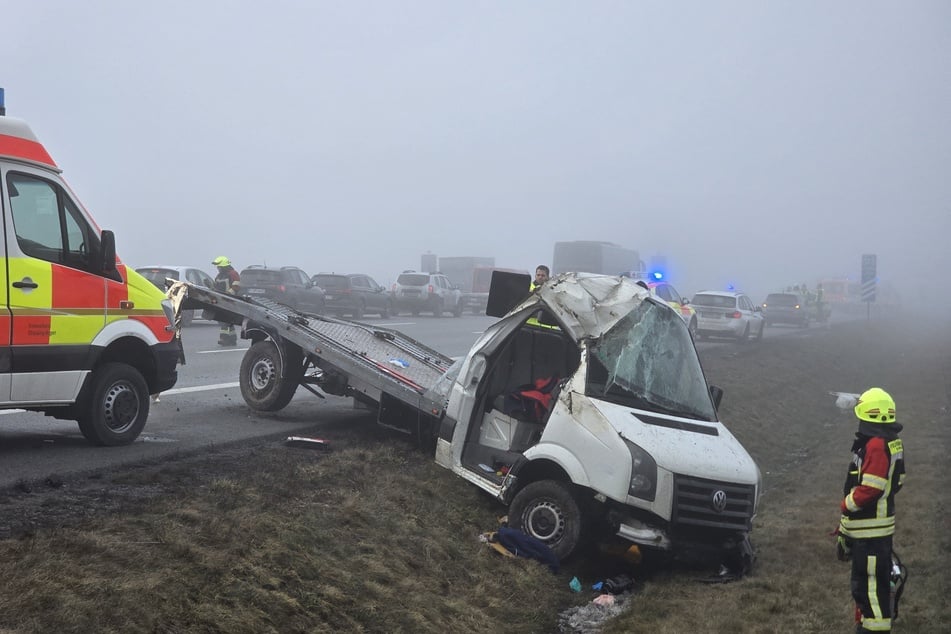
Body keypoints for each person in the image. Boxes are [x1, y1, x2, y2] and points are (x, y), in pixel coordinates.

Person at [836, 387, 905, 633]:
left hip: (870, 535)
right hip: (873, 532)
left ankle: (873, 629)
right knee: (867, 588)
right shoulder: (889, 442)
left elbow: (871, 488)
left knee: (871, 589)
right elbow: (897, 482)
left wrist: (847, 504)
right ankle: (866, 625)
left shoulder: (876, 445)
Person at [212, 256, 241, 346]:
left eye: (219, 266)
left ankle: (224, 338)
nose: (218, 268)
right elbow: (216, 286)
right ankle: (232, 339)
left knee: (224, 320)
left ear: (224, 266)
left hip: (230, 301)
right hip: (221, 300)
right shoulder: (219, 275)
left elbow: (236, 286)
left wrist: (228, 294)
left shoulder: (233, 274)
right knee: (228, 321)